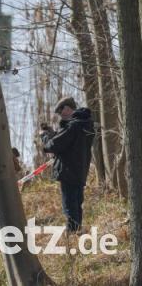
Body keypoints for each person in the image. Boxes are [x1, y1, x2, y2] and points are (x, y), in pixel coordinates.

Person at [40, 96, 95, 233]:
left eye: (60, 111)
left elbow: (53, 145)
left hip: (68, 172)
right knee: (77, 205)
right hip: (80, 172)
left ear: (67, 108)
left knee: (69, 206)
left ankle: (72, 234)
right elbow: (68, 143)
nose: (60, 115)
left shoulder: (73, 126)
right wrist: (53, 133)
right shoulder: (85, 124)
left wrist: (45, 136)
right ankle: (77, 233)